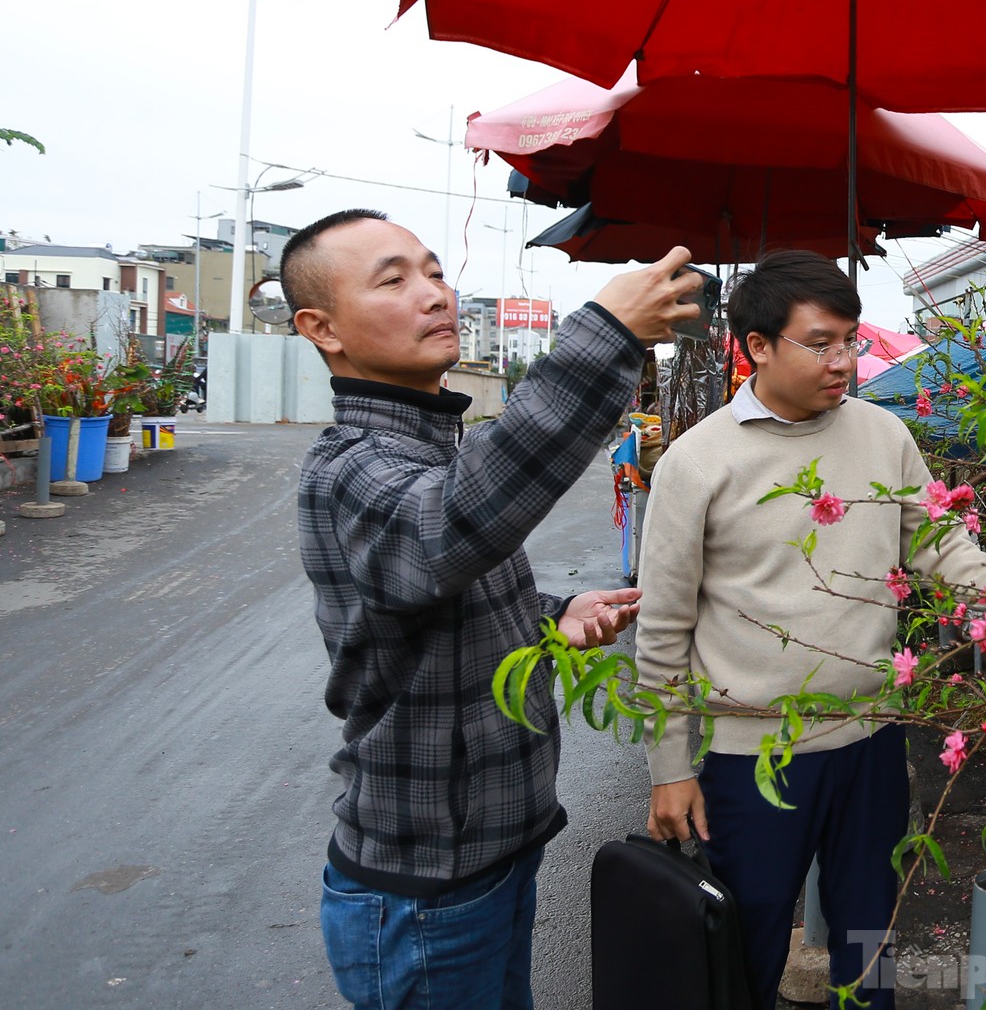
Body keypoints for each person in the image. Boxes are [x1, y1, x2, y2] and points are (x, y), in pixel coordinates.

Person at [285, 208, 701, 1009]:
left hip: (489, 859)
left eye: (434, 271)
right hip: (426, 891)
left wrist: (553, 614)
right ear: (321, 328)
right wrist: (606, 333)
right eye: (393, 280)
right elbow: (451, 526)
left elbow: (439, 598)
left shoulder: (427, 449)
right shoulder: (352, 467)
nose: (433, 293)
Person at [634, 250, 986, 1010]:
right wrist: (669, 765)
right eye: (821, 343)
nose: (844, 362)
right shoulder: (696, 463)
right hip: (755, 759)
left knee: (870, 941)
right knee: (745, 948)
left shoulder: (883, 435)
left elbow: (938, 542)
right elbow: (664, 624)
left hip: (871, 740)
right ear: (758, 346)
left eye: (850, 341)